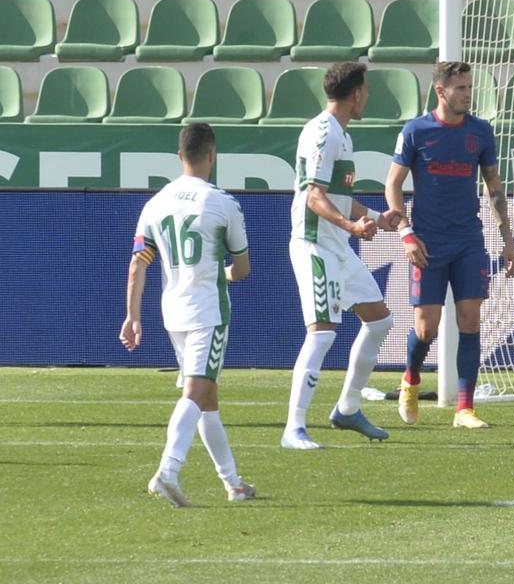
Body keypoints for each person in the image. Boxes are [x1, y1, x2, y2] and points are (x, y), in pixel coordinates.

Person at [121, 122, 255, 506]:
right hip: (207, 312)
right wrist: (221, 274)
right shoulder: (222, 203)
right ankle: (168, 470)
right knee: (196, 394)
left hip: (171, 311)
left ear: (180, 156)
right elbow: (241, 269)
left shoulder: (155, 204)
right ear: (212, 155)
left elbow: (138, 264)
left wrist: (132, 316)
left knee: (206, 398)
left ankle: (234, 484)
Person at [381, 60, 514, 429]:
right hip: (427, 241)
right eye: (460, 88)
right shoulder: (417, 131)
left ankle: (465, 408)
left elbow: (494, 187)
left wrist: (507, 239)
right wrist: (405, 233)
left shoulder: (481, 132)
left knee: (470, 320)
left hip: (468, 240)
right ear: (441, 91)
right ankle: (410, 379)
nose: (468, 94)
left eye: (470, 87)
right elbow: (392, 184)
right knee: (427, 327)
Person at [284, 60, 392, 449]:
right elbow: (314, 197)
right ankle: (293, 428)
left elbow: (339, 198)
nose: (367, 98)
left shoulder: (342, 135)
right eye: (366, 91)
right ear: (356, 93)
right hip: (315, 247)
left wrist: (379, 217)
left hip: (338, 248)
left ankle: (347, 408)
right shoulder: (324, 133)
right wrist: (352, 227)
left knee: (379, 321)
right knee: (322, 335)